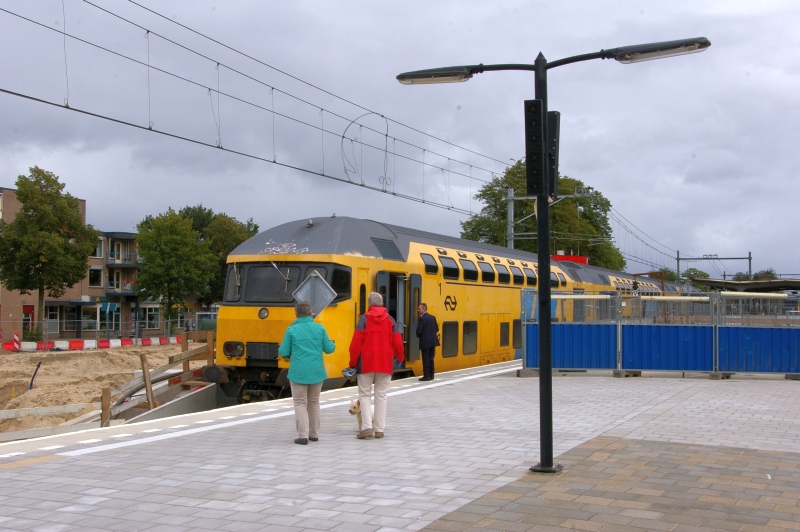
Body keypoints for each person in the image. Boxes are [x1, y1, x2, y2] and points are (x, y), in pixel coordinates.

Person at [348, 292, 404, 439]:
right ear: (382, 304)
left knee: (364, 395)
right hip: (385, 363)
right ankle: (379, 429)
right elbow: (398, 342)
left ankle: (366, 427)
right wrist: (400, 357)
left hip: (366, 363)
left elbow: (356, 344)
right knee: (381, 396)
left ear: (369, 304)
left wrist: (352, 363)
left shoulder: (364, 319)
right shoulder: (391, 320)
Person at [278, 300, 335, 445]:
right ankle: (314, 434)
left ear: (296, 314)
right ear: (311, 313)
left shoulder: (291, 330)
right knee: (314, 402)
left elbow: (283, 351)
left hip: (298, 372)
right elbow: (329, 349)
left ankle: (302, 436)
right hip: (316, 372)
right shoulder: (319, 328)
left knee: (300, 403)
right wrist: (332, 344)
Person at [416, 303, 439, 381]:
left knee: (425, 359)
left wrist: (419, 335)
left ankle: (426, 376)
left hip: (425, 342)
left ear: (423, 309)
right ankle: (432, 374)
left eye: (419, 309)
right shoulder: (432, 317)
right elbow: (436, 329)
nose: (418, 310)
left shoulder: (422, 319)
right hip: (433, 341)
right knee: (431, 358)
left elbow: (419, 330)